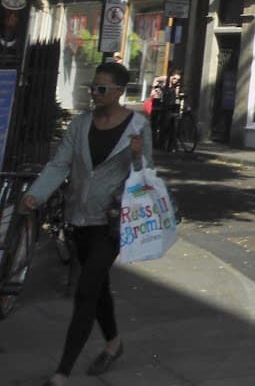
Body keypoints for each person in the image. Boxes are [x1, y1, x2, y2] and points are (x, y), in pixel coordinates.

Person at [20, 60, 150, 386]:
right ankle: (114, 343)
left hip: (112, 221)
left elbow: (145, 177)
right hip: (79, 218)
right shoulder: (80, 125)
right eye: (93, 87)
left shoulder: (137, 126)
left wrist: (136, 157)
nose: (94, 93)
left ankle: (62, 370)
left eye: (101, 88)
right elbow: (60, 163)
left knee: (87, 289)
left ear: (120, 91)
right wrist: (35, 195)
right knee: (99, 287)